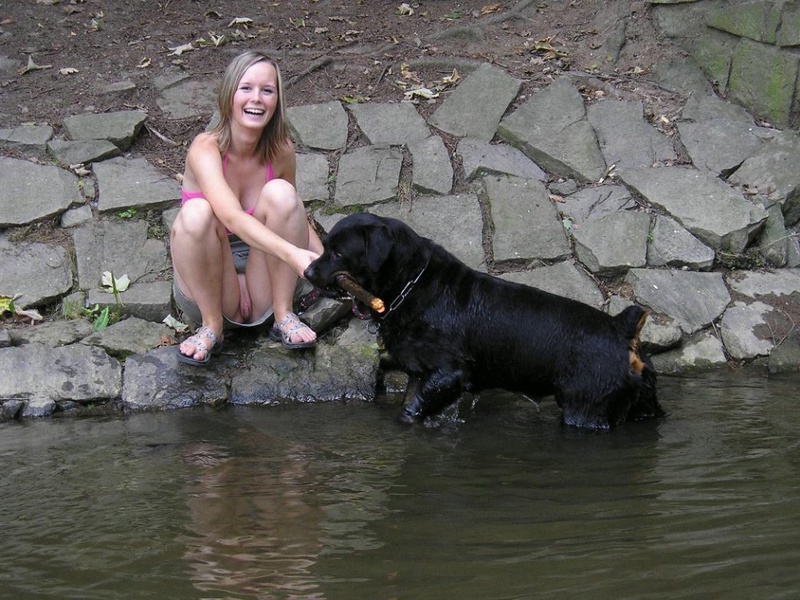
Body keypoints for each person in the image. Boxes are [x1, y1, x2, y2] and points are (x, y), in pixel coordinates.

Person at [171, 50, 323, 365]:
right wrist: (293, 254)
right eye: (246, 88)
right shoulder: (205, 148)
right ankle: (212, 327)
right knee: (197, 213)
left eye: (267, 91)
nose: (257, 99)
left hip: (264, 280)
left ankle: (283, 315)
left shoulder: (281, 151)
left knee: (282, 193)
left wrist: (325, 263)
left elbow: (293, 212)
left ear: (277, 101)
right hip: (210, 283)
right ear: (229, 95)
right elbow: (230, 217)